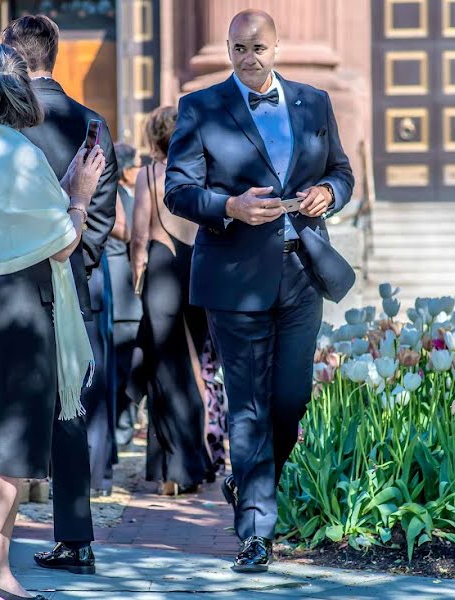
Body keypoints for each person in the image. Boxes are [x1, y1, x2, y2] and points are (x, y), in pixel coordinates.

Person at [164, 9, 355, 572]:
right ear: (228, 49)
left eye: (258, 48)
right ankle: (255, 531)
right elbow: (178, 191)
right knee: (246, 406)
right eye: (238, 48)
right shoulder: (199, 107)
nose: (248, 58)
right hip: (234, 278)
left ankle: (248, 477)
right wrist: (229, 206)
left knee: (290, 401)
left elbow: (343, 171)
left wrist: (329, 191)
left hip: (302, 275)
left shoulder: (314, 102)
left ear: (277, 47)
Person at [0, 41, 104, 600]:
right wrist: (80, 195)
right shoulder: (19, 152)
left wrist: (61, 202)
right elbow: (62, 243)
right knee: (9, 449)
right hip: (11, 301)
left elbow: (16, 218)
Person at [4, 13, 118, 574]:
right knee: (70, 412)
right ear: (53, 55)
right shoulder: (93, 123)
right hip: (71, 286)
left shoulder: (5, 128)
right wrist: (72, 269)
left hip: (11, 287)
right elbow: (100, 219)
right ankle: (76, 540)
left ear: (12, 57)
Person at [130, 107, 212, 496]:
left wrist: (136, 273)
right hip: (196, 271)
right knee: (195, 368)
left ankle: (172, 469)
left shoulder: (150, 175)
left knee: (166, 370)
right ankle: (197, 462)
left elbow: (138, 236)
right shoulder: (201, 175)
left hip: (161, 270)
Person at [108, 142, 143, 448]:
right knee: (123, 365)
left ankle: (121, 427)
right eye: (136, 164)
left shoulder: (118, 194)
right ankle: (120, 429)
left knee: (124, 364)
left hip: (120, 287)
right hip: (122, 290)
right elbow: (129, 233)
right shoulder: (120, 197)